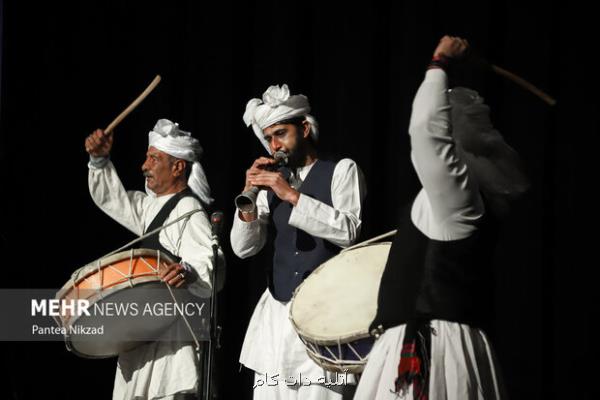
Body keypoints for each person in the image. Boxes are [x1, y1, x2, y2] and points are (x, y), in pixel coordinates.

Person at [354, 36, 529, 400]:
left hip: (434, 348)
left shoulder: (457, 196)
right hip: (431, 339)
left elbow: (425, 131)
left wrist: (440, 63)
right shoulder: (457, 201)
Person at [230, 84, 367, 399]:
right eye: (268, 138)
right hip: (278, 315)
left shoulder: (341, 171)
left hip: (325, 313)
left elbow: (349, 231)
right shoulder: (271, 184)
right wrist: (249, 196)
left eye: (280, 134)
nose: (274, 145)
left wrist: (291, 195)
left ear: (304, 129)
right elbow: (243, 248)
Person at [84, 118, 225, 400]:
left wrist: (188, 272)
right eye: (147, 157)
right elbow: (115, 200)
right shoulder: (153, 208)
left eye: (153, 158)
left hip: (170, 348)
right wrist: (99, 161)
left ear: (177, 167)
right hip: (145, 342)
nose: (144, 166)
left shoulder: (188, 210)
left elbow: (211, 261)